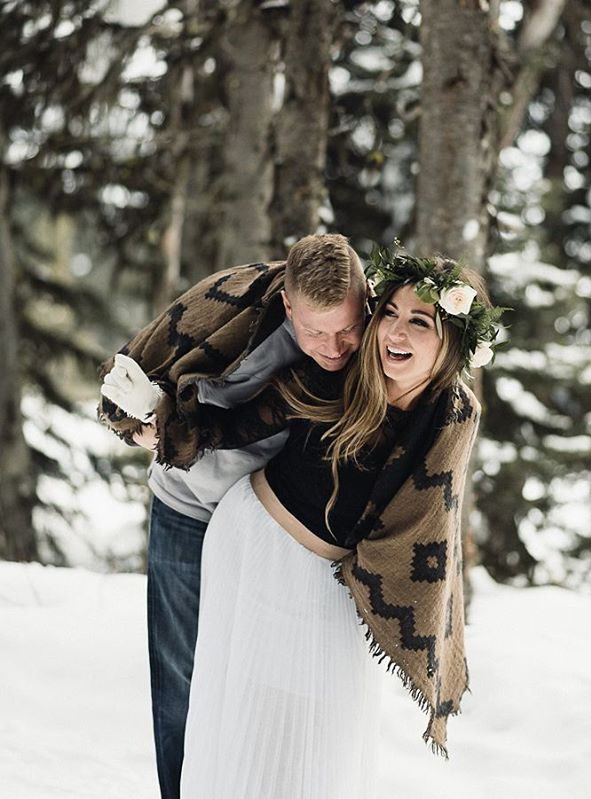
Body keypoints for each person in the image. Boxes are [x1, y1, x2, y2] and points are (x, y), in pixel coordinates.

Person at [130, 247, 504, 797]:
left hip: (329, 581)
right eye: (391, 315)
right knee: (235, 705)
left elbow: (430, 519)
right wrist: (164, 434)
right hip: (251, 542)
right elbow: (234, 426)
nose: (394, 332)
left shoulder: (450, 416)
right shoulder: (343, 376)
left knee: (325, 729)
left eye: (418, 322)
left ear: (449, 341)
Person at [98, 234, 368, 799]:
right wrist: (147, 425)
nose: (335, 347)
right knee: (183, 679)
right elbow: (126, 379)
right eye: (316, 332)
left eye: (347, 329)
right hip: (190, 510)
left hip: (274, 531)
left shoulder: (376, 340)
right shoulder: (226, 304)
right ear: (289, 306)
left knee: (261, 684)